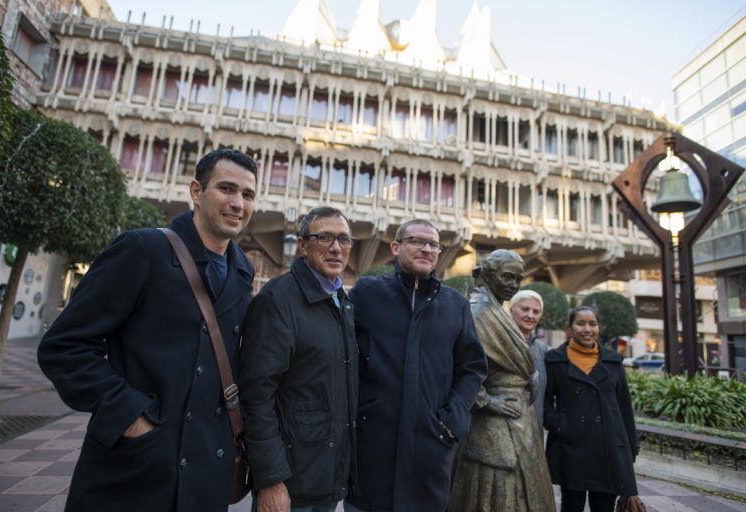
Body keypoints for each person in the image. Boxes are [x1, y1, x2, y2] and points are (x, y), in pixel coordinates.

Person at [37, 148, 258, 511]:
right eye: (227, 189)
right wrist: (130, 417)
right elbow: (64, 346)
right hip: (135, 470)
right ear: (197, 192)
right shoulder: (143, 249)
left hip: (206, 471)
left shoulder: (242, 271)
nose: (238, 203)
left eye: (248, 195)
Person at [345, 219, 487, 512]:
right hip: (372, 447)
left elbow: (472, 367)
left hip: (431, 449)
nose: (426, 249)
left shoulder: (455, 305)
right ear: (396, 247)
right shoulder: (367, 294)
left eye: (433, 244)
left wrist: (452, 419)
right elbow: (342, 353)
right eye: (417, 241)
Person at [239, 206, 358, 512]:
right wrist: (271, 480)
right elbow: (256, 395)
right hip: (290, 485)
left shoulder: (341, 299)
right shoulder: (278, 300)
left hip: (325, 479)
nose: (336, 248)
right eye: (325, 238)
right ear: (303, 245)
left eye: (344, 240)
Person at [449, 249, 556, 512]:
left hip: (521, 417)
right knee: (494, 491)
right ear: (487, 274)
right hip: (494, 422)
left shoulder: (497, 310)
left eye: (518, 279)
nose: (513, 285)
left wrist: (530, 378)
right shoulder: (479, 312)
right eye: (507, 277)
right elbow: (454, 367)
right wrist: (486, 400)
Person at [544, 306, 639, 512]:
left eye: (592, 324)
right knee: (571, 506)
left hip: (609, 447)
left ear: (599, 328)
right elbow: (544, 402)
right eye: (580, 323)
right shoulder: (554, 360)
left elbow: (624, 407)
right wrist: (561, 425)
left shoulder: (613, 361)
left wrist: (630, 447)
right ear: (569, 328)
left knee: (604, 507)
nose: (587, 329)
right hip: (571, 447)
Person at [510, 289, 548, 432]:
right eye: (525, 309)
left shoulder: (542, 349)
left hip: (534, 430)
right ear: (512, 310)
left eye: (536, 312)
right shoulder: (498, 343)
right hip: (503, 428)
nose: (530, 315)